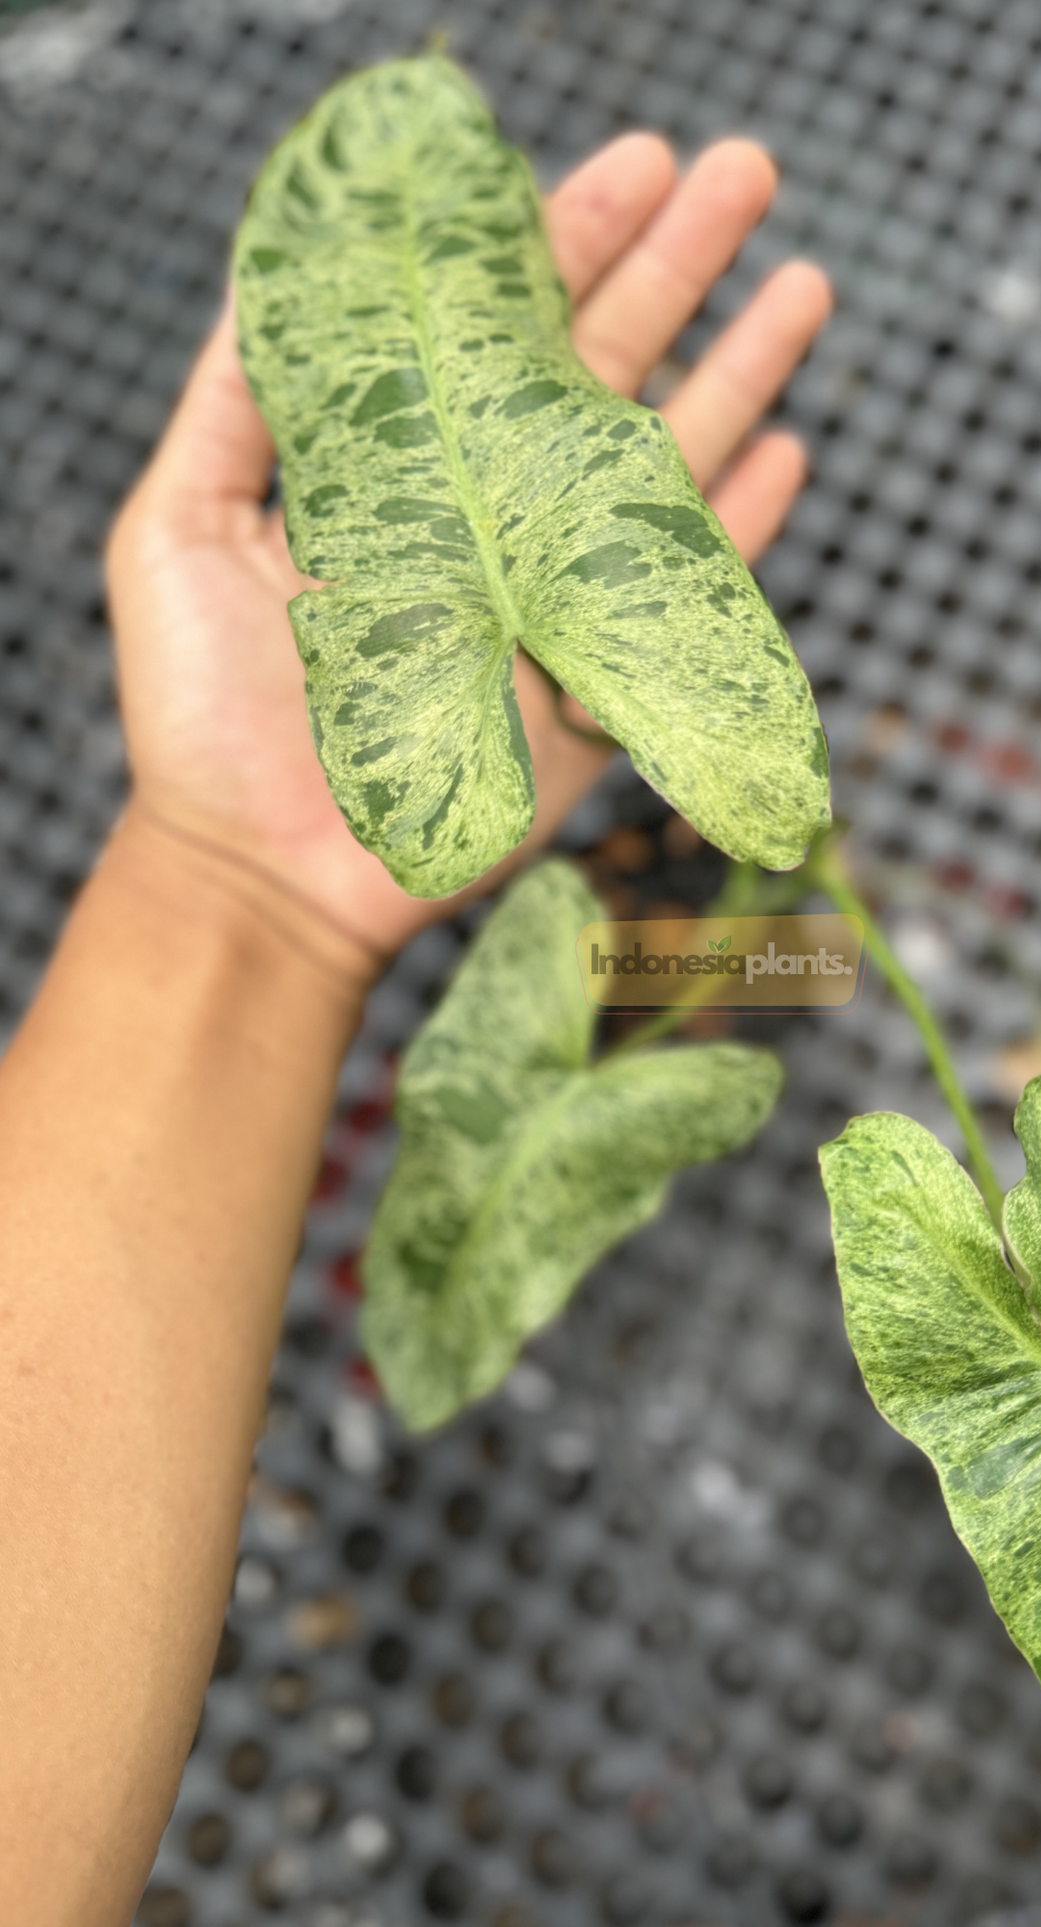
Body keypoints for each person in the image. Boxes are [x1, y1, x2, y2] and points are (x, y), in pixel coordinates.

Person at [0, 130, 831, 1924]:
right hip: (564, 956)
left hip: (555, 926)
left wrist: (230, 887)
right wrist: (249, 886)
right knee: (733, 957)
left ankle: (761, 951)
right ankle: (761, 957)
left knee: (750, 939)